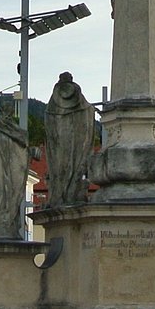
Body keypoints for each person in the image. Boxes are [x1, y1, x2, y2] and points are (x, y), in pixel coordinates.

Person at [44, 73, 93, 209]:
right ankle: (69, 193)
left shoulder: (53, 102)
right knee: (74, 165)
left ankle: (60, 195)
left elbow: (49, 124)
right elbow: (88, 116)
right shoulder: (81, 102)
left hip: (59, 144)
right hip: (76, 143)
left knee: (59, 168)